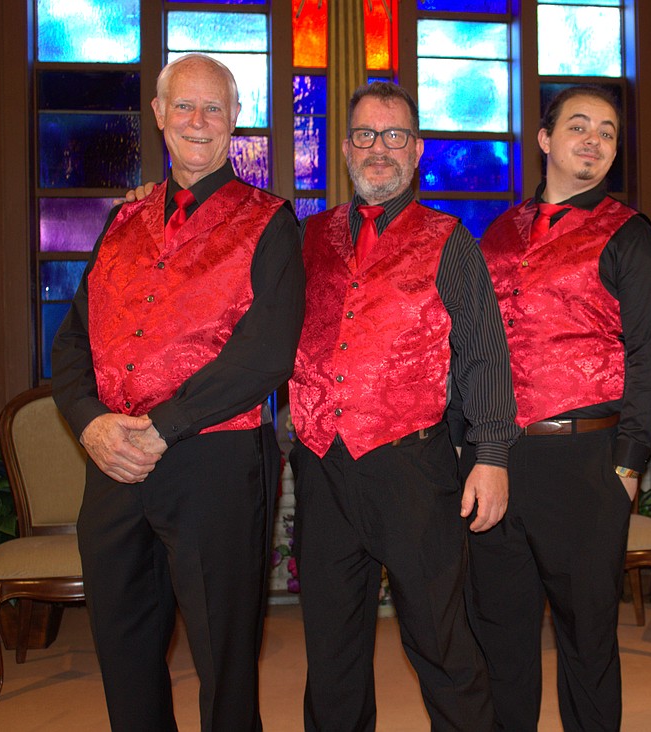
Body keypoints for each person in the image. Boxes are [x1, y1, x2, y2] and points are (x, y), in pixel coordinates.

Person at [52, 53, 305, 731]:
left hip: (214, 461)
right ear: (159, 117)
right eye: (184, 106)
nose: (199, 121)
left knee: (224, 655)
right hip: (112, 461)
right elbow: (74, 341)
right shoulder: (122, 221)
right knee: (124, 644)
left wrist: (162, 426)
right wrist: (91, 426)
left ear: (235, 122)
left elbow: (267, 354)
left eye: (214, 108)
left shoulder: (270, 221)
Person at [287, 81, 520, 732]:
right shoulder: (304, 239)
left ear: (415, 151)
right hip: (324, 470)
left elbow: (483, 352)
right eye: (365, 135)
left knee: (441, 644)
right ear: (344, 148)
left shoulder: (449, 239)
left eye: (394, 136)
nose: (379, 149)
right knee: (332, 650)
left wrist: (492, 454)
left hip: (413, 472)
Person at [453, 85, 651, 731]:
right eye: (579, 126)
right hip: (497, 458)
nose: (594, 140)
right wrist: (466, 441)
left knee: (587, 639)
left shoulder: (634, 239)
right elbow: (469, 343)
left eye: (607, 132)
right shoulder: (497, 232)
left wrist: (629, 464)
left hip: (585, 461)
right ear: (546, 139)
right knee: (499, 631)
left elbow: (650, 358)